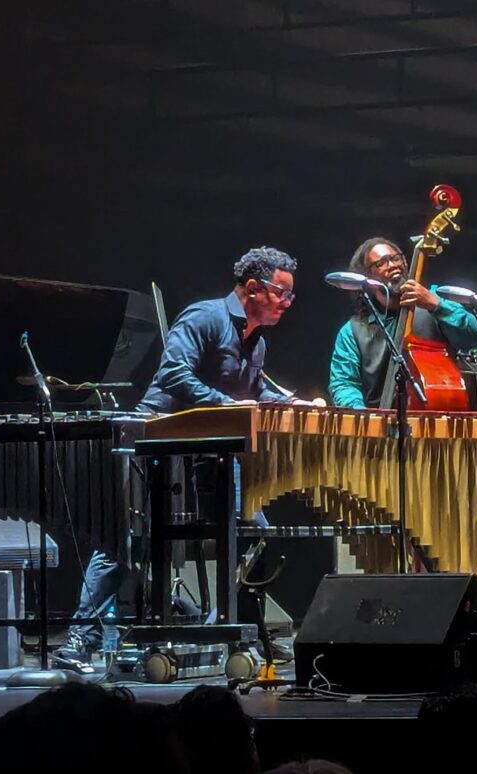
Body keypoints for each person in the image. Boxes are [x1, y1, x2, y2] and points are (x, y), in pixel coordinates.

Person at [55, 246, 315, 669]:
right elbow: (174, 373)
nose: (287, 303)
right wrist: (226, 405)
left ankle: (240, 633)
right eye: (281, 293)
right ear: (253, 288)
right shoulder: (204, 317)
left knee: (253, 532)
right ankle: (80, 639)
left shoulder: (257, 342)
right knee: (128, 537)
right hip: (156, 440)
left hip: (212, 449)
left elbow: (251, 391)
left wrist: (288, 403)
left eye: (291, 295)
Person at [328, 237, 477, 409]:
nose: (392, 265)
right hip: (378, 419)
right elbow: (344, 384)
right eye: (381, 263)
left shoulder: (433, 303)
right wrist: (367, 418)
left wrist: (437, 305)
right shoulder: (352, 331)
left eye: (395, 258)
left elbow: (475, 336)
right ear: (368, 277)